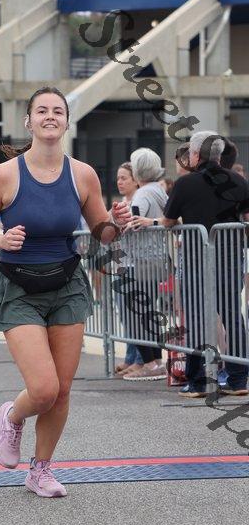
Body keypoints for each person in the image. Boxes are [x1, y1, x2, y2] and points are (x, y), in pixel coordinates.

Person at [0, 86, 130, 498]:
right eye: (42, 110)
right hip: (18, 286)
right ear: (29, 121)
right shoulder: (5, 175)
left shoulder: (83, 174)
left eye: (58, 110)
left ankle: (40, 470)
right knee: (43, 389)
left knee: (63, 390)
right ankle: (13, 415)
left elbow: (102, 233)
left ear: (67, 121)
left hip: (67, 284)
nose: (50, 116)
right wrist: (0, 240)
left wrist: (117, 223)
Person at [132, 131, 249, 397]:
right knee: (232, 316)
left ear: (195, 154)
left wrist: (150, 222)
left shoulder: (185, 184)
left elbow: (168, 222)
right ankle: (239, 379)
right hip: (230, 258)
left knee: (195, 318)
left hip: (197, 260)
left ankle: (197, 382)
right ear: (218, 155)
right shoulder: (237, 180)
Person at [121, 148, 169, 381]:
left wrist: (116, 223)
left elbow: (132, 223)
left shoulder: (142, 194)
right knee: (149, 311)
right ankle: (156, 362)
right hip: (157, 258)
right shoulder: (160, 191)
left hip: (140, 260)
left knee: (137, 314)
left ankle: (150, 363)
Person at [114, 162, 144, 375]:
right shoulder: (120, 204)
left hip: (137, 264)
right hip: (121, 264)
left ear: (136, 180)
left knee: (137, 314)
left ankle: (140, 359)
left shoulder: (139, 202)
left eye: (124, 178)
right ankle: (130, 357)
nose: (120, 182)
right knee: (125, 315)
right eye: (118, 178)